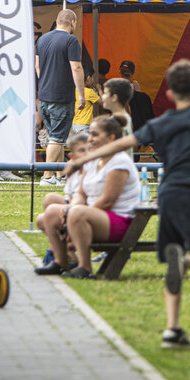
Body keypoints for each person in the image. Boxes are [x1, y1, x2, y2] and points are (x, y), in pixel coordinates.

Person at [66, 33, 190, 348]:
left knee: (174, 254)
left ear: (170, 92)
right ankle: (184, 261)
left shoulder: (163, 122)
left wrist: (83, 159)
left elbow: (123, 142)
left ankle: (172, 328)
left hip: (169, 194)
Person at [39, 115, 143, 278]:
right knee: (51, 211)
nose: (90, 138)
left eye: (95, 134)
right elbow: (81, 193)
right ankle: (61, 261)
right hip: (97, 215)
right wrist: (71, 209)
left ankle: (85, 267)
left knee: (76, 213)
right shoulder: (94, 159)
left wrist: (73, 215)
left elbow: (107, 201)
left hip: (119, 220)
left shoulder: (119, 161)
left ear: (111, 138)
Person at [35, 10, 86, 186]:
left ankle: (58, 176)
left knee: (55, 137)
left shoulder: (42, 39)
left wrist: (45, 83)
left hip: (44, 96)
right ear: (72, 21)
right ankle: (47, 177)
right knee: (56, 138)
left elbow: (37, 66)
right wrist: (81, 94)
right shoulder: (71, 40)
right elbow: (77, 68)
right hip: (61, 96)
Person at [35, 133, 91, 267]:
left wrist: (68, 211)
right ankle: (65, 253)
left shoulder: (93, 169)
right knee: (49, 200)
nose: (87, 154)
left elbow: (87, 199)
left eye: (90, 150)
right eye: (82, 150)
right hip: (76, 208)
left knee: (50, 214)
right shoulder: (73, 171)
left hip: (88, 211)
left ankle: (58, 254)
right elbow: (72, 197)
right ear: (72, 157)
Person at [70, 71, 102, 138]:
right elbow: (103, 102)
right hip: (85, 125)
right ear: (88, 78)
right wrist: (99, 89)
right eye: (93, 78)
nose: (93, 80)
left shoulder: (74, 89)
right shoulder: (89, 92)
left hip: (75, 124)